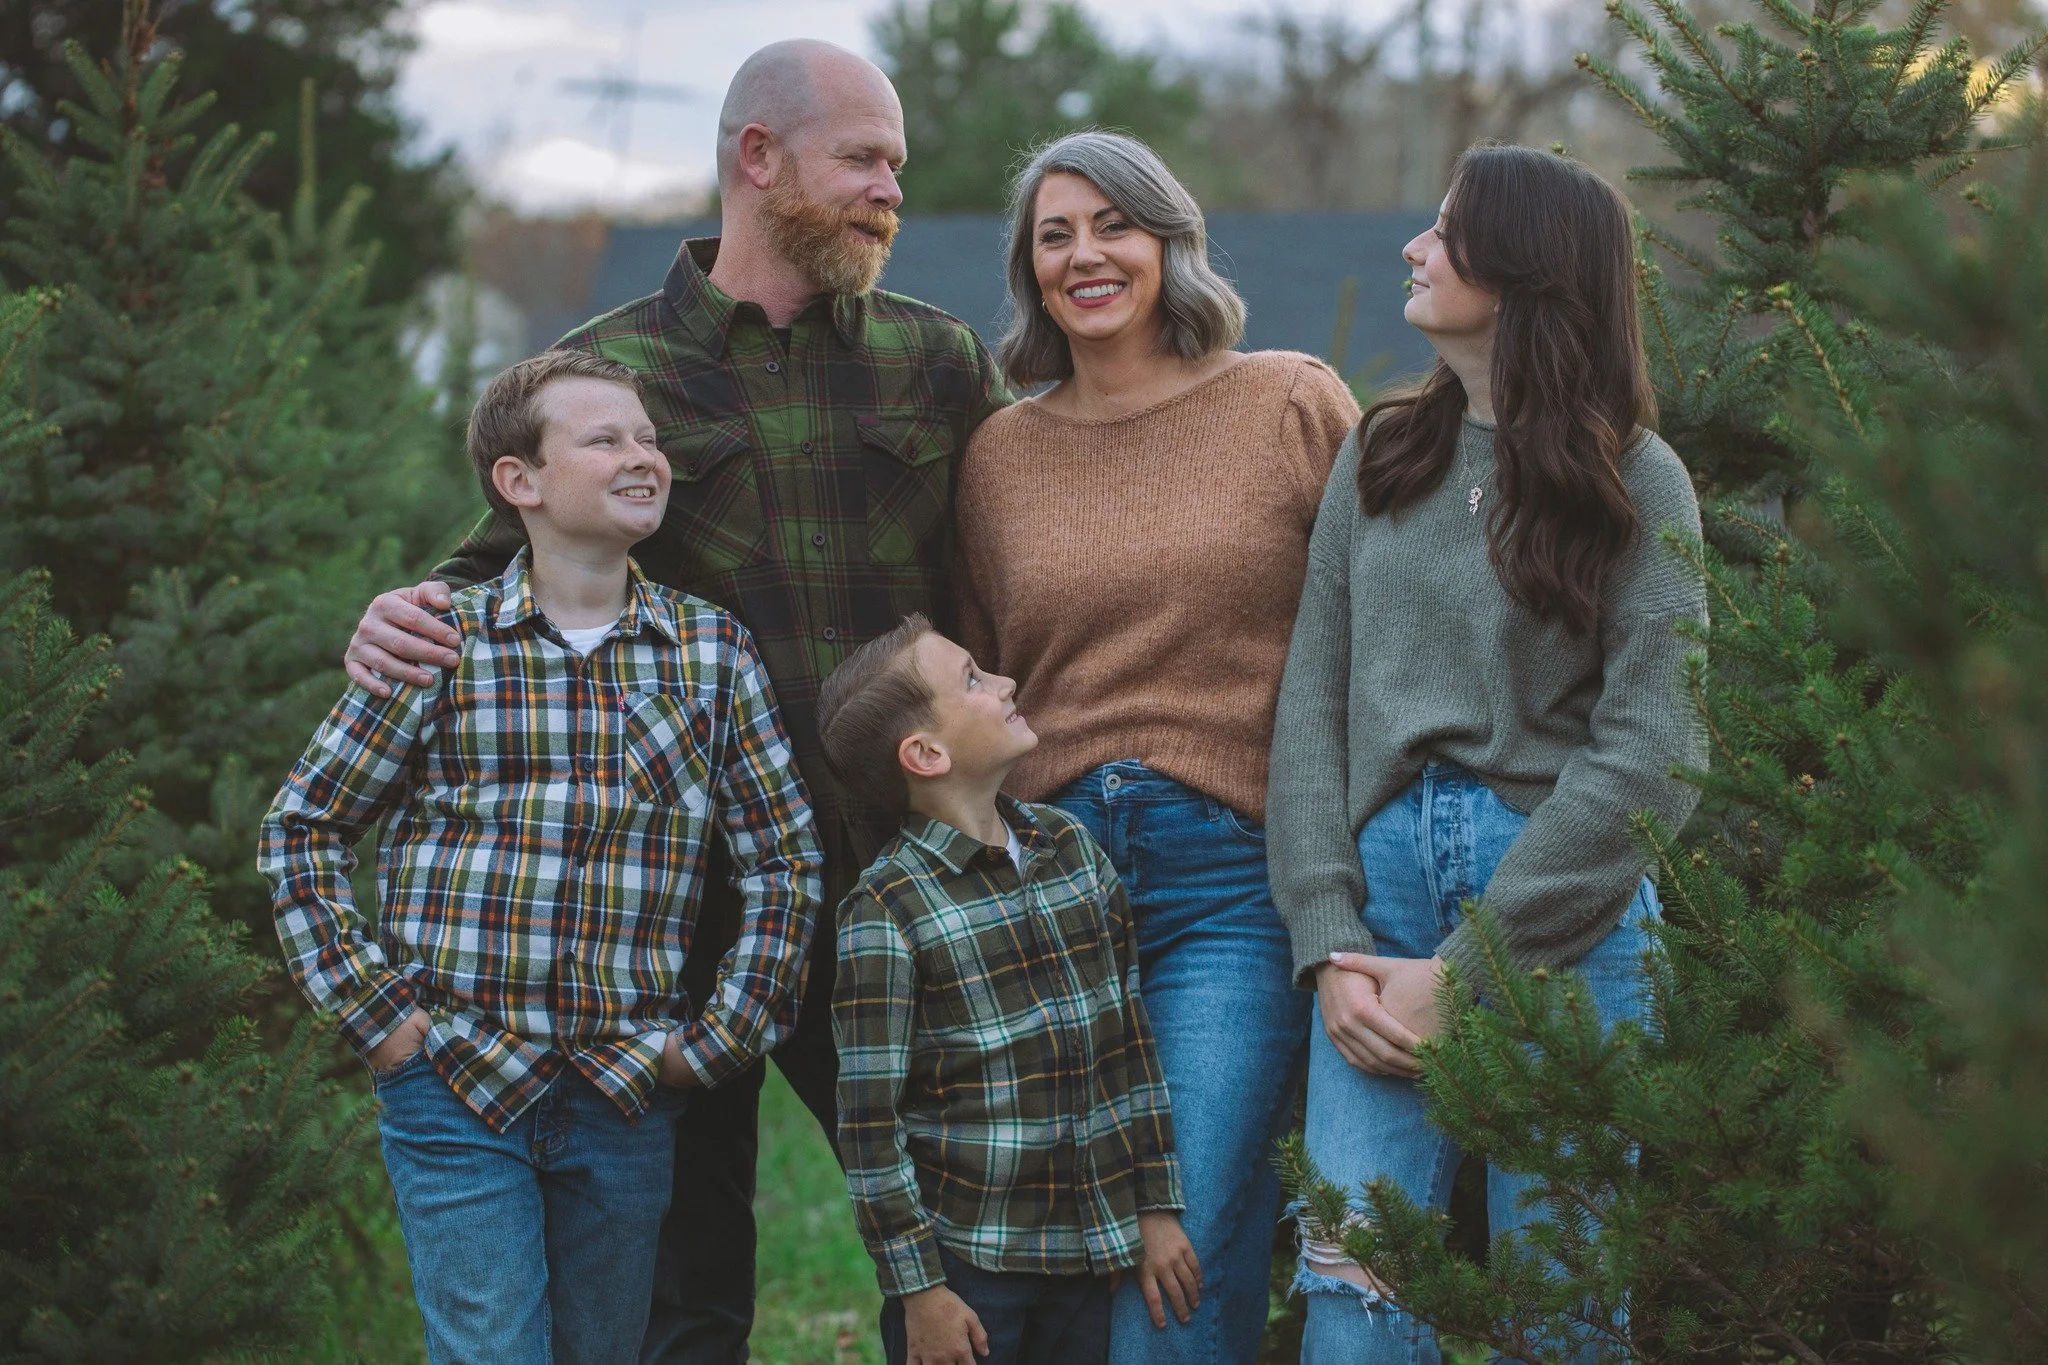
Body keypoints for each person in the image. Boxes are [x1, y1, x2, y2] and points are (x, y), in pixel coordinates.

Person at [337, 40, 1010, 1362]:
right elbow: (485, 572)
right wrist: (393, 611)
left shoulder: (937, 364)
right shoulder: (606, 371)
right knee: (683, 1284)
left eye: (898, 167)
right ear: (758, 159)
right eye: (863, 160)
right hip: (681, 913)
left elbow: (1004, 590)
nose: (889, 192)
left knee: (958, 1246)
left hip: (901, 886)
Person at [259, 351, 822, 1365]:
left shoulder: (709, 653)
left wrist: (713, 1042)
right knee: (491, 1348)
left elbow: (782, 864)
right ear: (519, 481)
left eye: (647, 437)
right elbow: (303, 828)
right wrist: (384, 1024)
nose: (641, 455)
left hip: (622, 1092)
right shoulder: (443, 642)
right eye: (604, 439)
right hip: (458, 1078)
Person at [1266, 143, 1709, 1364]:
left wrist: (1470, 965)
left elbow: (1655, 748)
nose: (1413, 248)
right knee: (1353, 1290)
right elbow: (1311, 700)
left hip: (1564, 918)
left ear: (1523, 272)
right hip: (1375, 914)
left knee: (1559, 1303)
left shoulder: (1634, 480)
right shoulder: (1380, 453)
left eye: (1446, 232)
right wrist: (1324, 937)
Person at [952, 130, 1361, 1363]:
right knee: (1048, 1243)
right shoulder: (999, 456)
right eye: (1054, 234)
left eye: (1112, 224)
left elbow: (1366, 629)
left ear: (1168, 240)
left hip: (1226, 878)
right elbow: (983, 680)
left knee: (1180, 1226)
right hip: (1046, 887)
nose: (1086, 254)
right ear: (1030, 272)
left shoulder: (1288, 400)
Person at [817, 614, 1200, 1365]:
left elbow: (1128, 1042)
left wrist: (1152, 1202)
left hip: (1088, 1254)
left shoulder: (1071, 850)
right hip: (968, 1272)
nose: (1005, 683)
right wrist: (918, 1289)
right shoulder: (887, 908)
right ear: (925, 753)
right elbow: (869, 1128)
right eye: (972, 679)